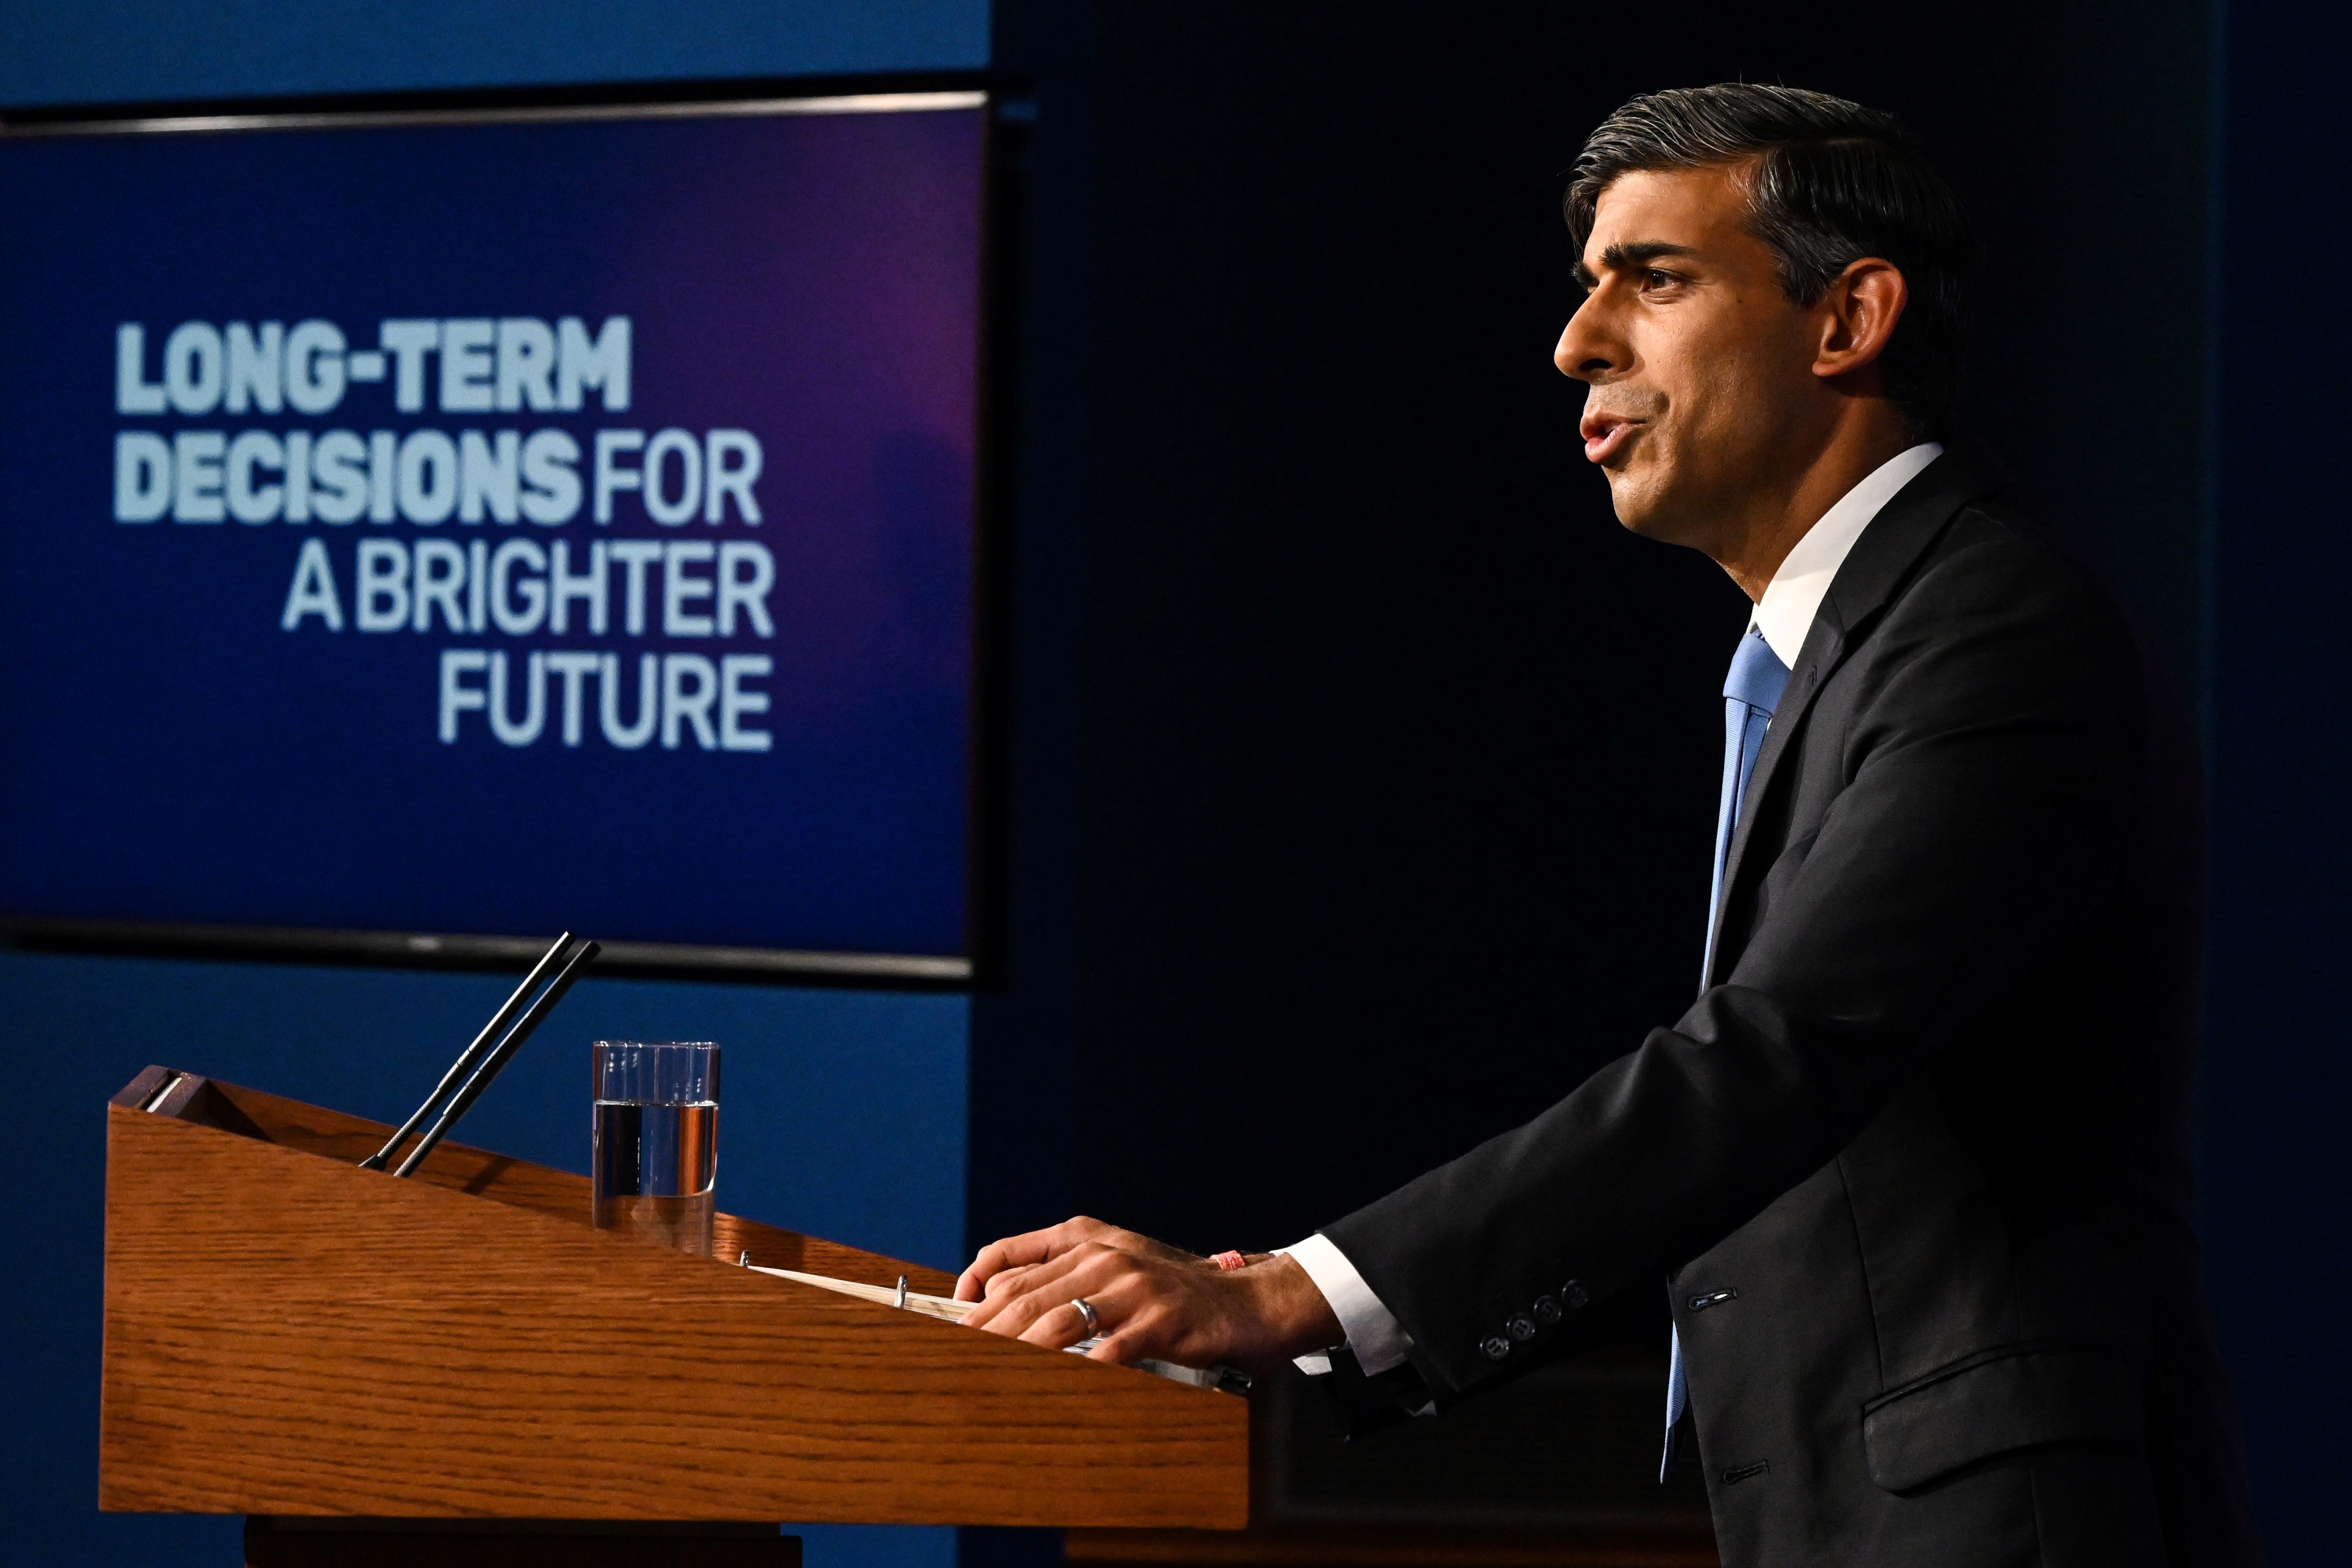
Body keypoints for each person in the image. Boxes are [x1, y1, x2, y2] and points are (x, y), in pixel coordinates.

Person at [954, 84, 2262, 1567]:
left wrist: (1297, 1293)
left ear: (1847, 322)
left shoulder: (1995, 633)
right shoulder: (1835, 646)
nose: (1578, 343)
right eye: (1586, 287)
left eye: (1653, 280)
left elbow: (1780, 1053)